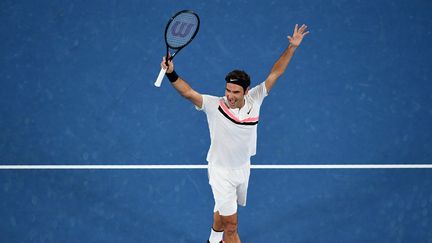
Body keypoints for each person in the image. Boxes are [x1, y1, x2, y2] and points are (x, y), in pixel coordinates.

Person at [160, 24, 309, 243]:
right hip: (221, 172)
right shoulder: (214, 105)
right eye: (228, 90)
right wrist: (172, 74)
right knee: (232, 227)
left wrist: (292, 47)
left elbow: (276, 72)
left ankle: (212, 240)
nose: (229, 95)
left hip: (242, 168)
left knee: (223, 210)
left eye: (235, 92)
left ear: (246, 91)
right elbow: (188, 92)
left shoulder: (256, 98)